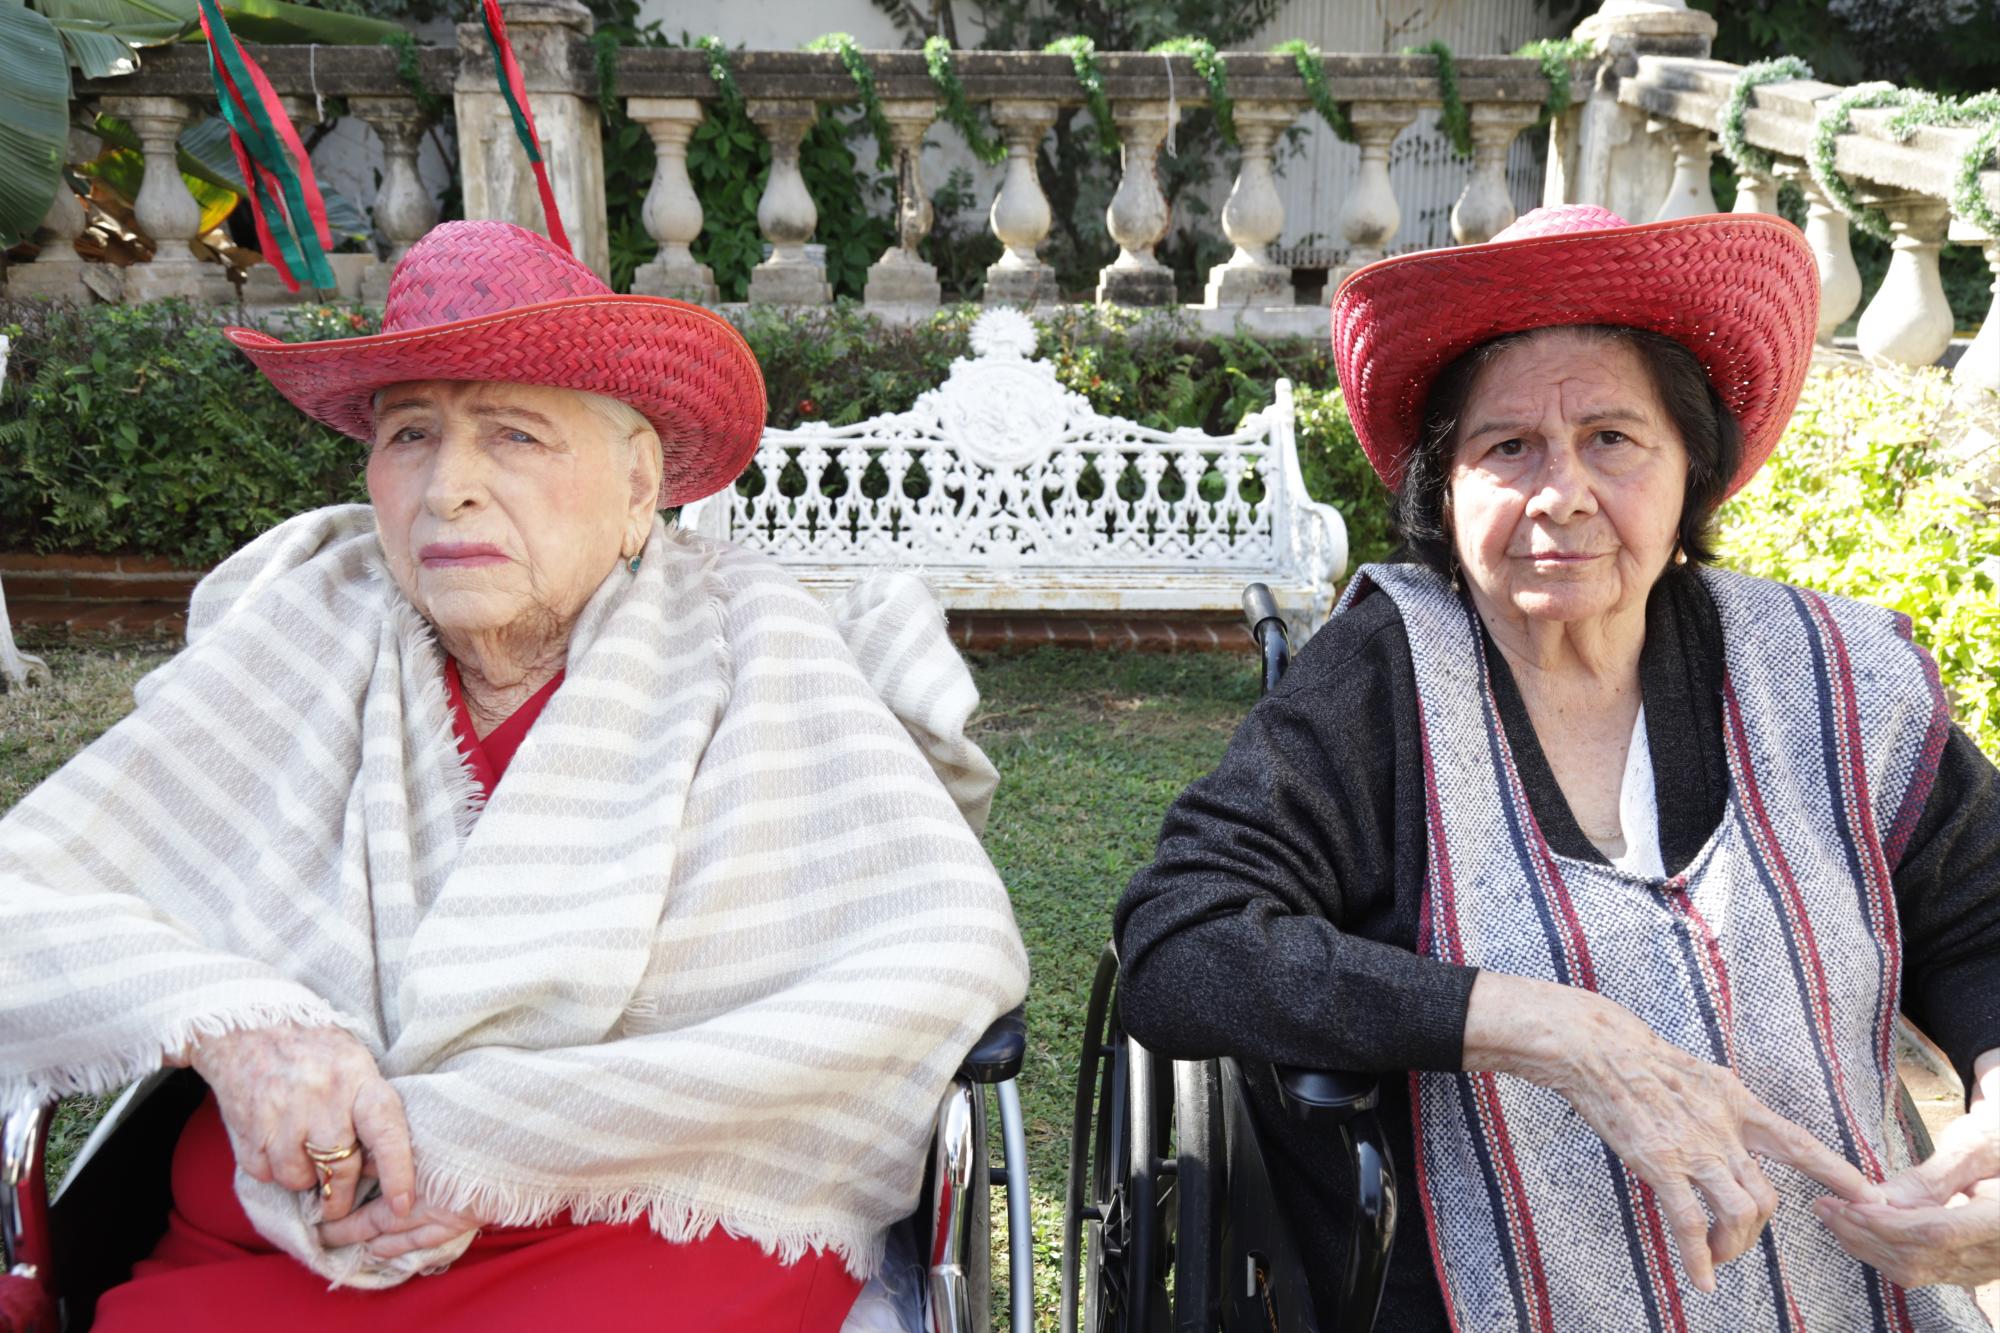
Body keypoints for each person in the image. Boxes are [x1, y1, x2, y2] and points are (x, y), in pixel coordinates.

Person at [0, 220, 1028, 1332]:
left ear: (639, 486)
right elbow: (31, 896)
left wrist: (488, 1141)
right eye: (411, 436)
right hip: (289, 1236)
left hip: (632, 1230)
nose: (450, 488)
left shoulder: (754, 641)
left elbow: (941, 946)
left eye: (515, 436)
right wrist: (242, 1030)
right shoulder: (302, 629)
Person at [1116, 205, 2000, 1330]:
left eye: (1611, 439)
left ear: (1691, 471)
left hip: (1847, 1296)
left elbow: (1978, 914)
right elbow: (1179, 939)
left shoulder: (1825, 674)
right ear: (1444, 489)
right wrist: (1551, 1029)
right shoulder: (1382, 680)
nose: (1561, 493)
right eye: (1506, 447)